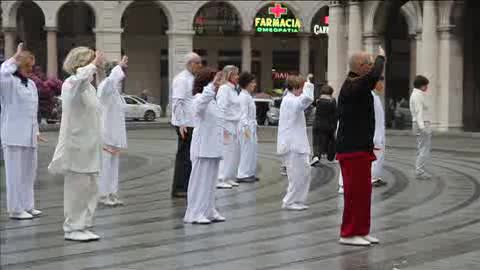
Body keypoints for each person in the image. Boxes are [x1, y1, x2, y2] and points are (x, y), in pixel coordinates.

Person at [48, 47, 105, 242]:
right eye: (90, 62)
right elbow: (80, 78)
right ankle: (72, 227)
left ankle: (85, 224)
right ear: (81, 64)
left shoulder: (90, 87)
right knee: (77, 188)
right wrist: (93, 64)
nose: (95, 68)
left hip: (92, 146)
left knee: (92, 187)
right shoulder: (71, 83)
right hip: (77, 145)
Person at [336, 46, 385, 246]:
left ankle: (361, 230)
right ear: (362, 67)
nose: (373, 68)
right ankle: (348, 233)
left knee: (364, 193)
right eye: (370, 64)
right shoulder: (352, 85)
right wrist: (382, 57)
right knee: (354, 194)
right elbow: (374, 77)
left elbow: (372, 78)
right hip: (351, 149)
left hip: (361, 148)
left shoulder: (358, 85)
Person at [0, 43, 45, 220]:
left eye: (32, 67)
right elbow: (2, 72)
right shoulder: (8, 82)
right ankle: (15, 209)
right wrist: (14, 58)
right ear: (19, 65)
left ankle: (28, 205)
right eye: (27, 66)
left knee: (29, 172)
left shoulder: (32, 85)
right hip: (13, 134)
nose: (30, 70)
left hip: (29, 135)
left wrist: (36, 131)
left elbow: (33, 110)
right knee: (14, 174)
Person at [184, 68, 226, 224]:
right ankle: (195, 213)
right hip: (203, 148)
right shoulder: (198, 98)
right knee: (199, 181)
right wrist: (212, 87)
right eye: (215, 81)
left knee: (210, 182)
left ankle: (208, 209)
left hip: (213, 147)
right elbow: (200, 107)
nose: (219, 84)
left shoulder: (213, 101)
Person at [277, 75, 314, 211]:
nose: (302, 91)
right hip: (292, 145)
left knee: (304, 173)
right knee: (296, 175)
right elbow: (307, 100)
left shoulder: (291, 99)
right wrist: (309, 85)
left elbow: (304, 101)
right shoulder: (289, 100)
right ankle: (289, 201)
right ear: (295, 88)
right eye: (301, 88)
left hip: (296, 144)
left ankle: (297, 199)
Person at [97, 56, 129, 206]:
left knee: (113, 165)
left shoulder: (114, 91)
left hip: (114, 135)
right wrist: (119, 67)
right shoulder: (105, 86)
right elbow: (111, 82)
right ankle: (103, 195)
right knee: (105, 166)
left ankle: (112, 192)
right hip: (106, 134)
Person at [171, 52, 202, 198]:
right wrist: (181, 122)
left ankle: (187, 185)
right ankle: (180, 187)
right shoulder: (182, 79)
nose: (200, 66)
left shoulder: (191, 78)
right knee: (184, 156)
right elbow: (177, 102)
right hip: (185, 123)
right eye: (198, 63)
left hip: (191, 122)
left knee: (189, 156)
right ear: (190, 63)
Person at [216, 65, 241, 189]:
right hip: (227, 124)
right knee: (226, 151)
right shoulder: (224, 89)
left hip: (234, 124)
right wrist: (223, 127)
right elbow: (221, 108)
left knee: (233, 152)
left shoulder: (233, 89)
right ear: (229, 75)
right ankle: (220, 178)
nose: (238, 77)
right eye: (236, 74)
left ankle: (229, 176)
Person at [236, 72, 259, 182]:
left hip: (251, 126)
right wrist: (246, 129)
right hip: (246, 127)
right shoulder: (243, 97)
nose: (254, 84)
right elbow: (243, 115)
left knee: (252, 150)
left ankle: (250, 172)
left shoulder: (247, 96)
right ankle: (242, 174)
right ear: (247, 84)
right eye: (252, 82)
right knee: (246, 150)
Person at [409, 75, 432, 180]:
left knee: (421, 148)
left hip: (419, 123)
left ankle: (419, 170)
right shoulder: (418, 95)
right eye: (426, 85)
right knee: (424, 149)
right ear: (422, 85)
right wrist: (422, 127)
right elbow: (419, 112)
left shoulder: (417, 94)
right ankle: (420, 172)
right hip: (421, 124)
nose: (427, 87)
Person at [310, 84, 338, 166]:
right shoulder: (332, 101)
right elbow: (335, 114)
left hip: (317, 124)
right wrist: (334, 126)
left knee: (316, 141)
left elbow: (312, 106)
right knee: (331, 141)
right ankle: (331, 157)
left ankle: (316, 156)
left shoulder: (318, 100)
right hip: (329, 125)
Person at [371, 76, 387, 187]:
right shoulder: (371, 97)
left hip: (380, 132)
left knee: (380, 156)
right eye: (381, 82)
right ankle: (372, 178)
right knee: (375, 157)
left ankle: (376, 176)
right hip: (375, 134)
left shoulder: (376, 97)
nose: (383, 85)